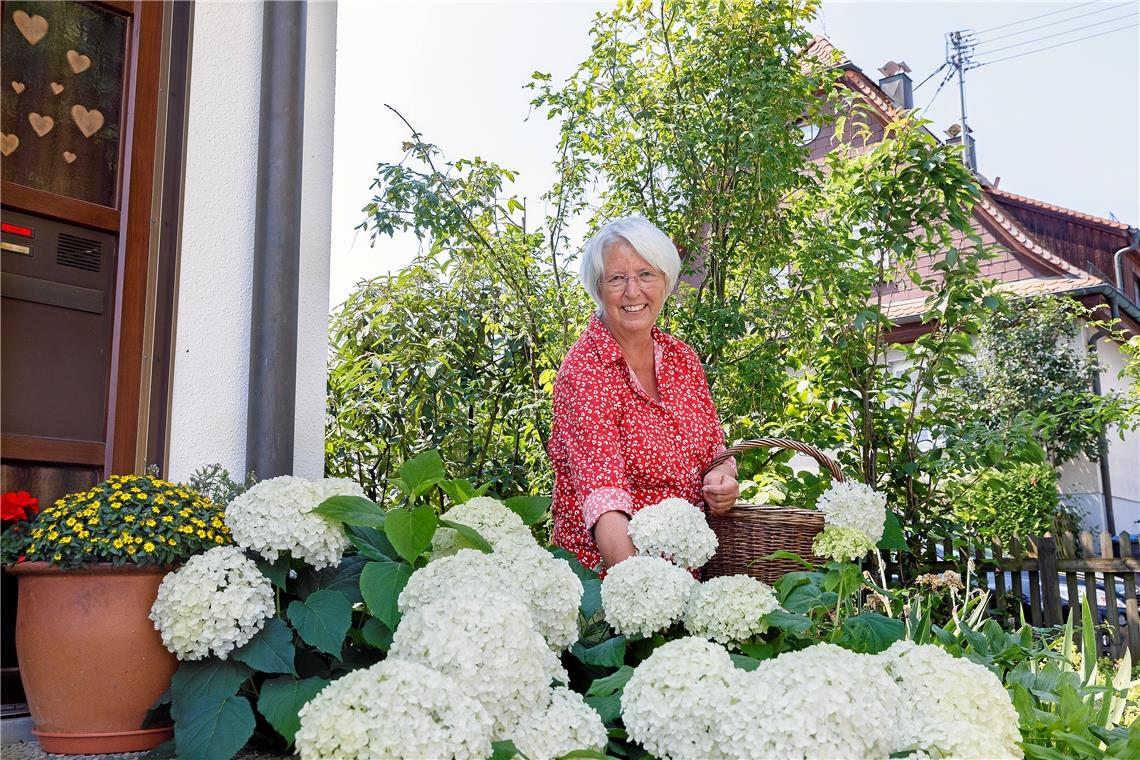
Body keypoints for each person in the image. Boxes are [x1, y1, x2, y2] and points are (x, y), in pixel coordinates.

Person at [548, 216, 739, 571]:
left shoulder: (682, 359)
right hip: (612, 584)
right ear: (598, 288)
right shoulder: (585, 372)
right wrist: (639, 589)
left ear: (664, 281)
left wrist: (721, 480)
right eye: (617, 278)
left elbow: (715, 449)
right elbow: (604, 499)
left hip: (688, 574)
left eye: (646, 275)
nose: (633, 291)